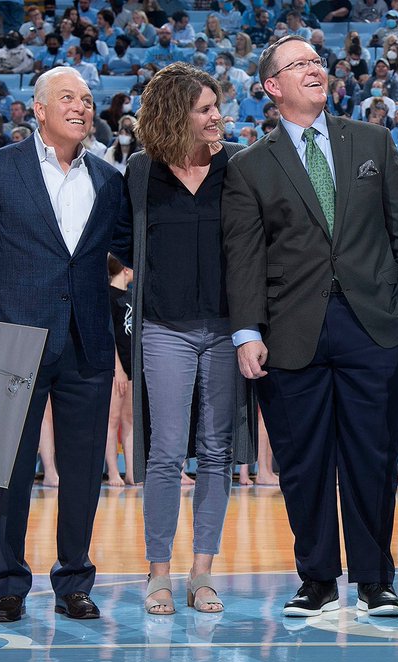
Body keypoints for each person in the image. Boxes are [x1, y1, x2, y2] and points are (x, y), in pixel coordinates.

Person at [222, 34, 398, 617]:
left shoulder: (374, 141)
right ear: (272, 86)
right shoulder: (249, 165)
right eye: (298, 64)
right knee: (303, 461)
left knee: (373, 456)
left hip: (373, 326)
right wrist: (246, 331)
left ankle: (374, 577)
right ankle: (316, 578)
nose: (314, 69)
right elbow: (244, 257)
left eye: (316, 60)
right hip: (289, 332)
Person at [0, 66, 127, 624]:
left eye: (88, 99)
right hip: (13, 339)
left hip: (88, 342)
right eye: (68, 97)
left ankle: (74, 579)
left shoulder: (109, 178)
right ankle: (7, 583)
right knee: (12, 469)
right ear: (40, 110)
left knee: (80, 472)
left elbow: (121, 253)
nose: (81, 106)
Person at [111, 61, 243, 616]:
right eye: (206, 109)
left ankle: (203, 572)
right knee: (164, 452)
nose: (218, 117)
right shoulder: (141, 172)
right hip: (164, 327)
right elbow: (119, 247)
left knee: (217, 452)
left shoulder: (237, 165)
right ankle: (159, 572)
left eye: (217, 107)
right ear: (175, 116)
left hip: (225, 330)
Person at [104, 256, 135, 487]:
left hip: (132, 365)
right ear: (125, 269)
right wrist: (118, 369)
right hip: (117, 368)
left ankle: (133, 472)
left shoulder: (131, 296)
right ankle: (113, 472)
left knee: (130, 419)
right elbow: (111, 336)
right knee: (112, 419)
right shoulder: (109, 297)